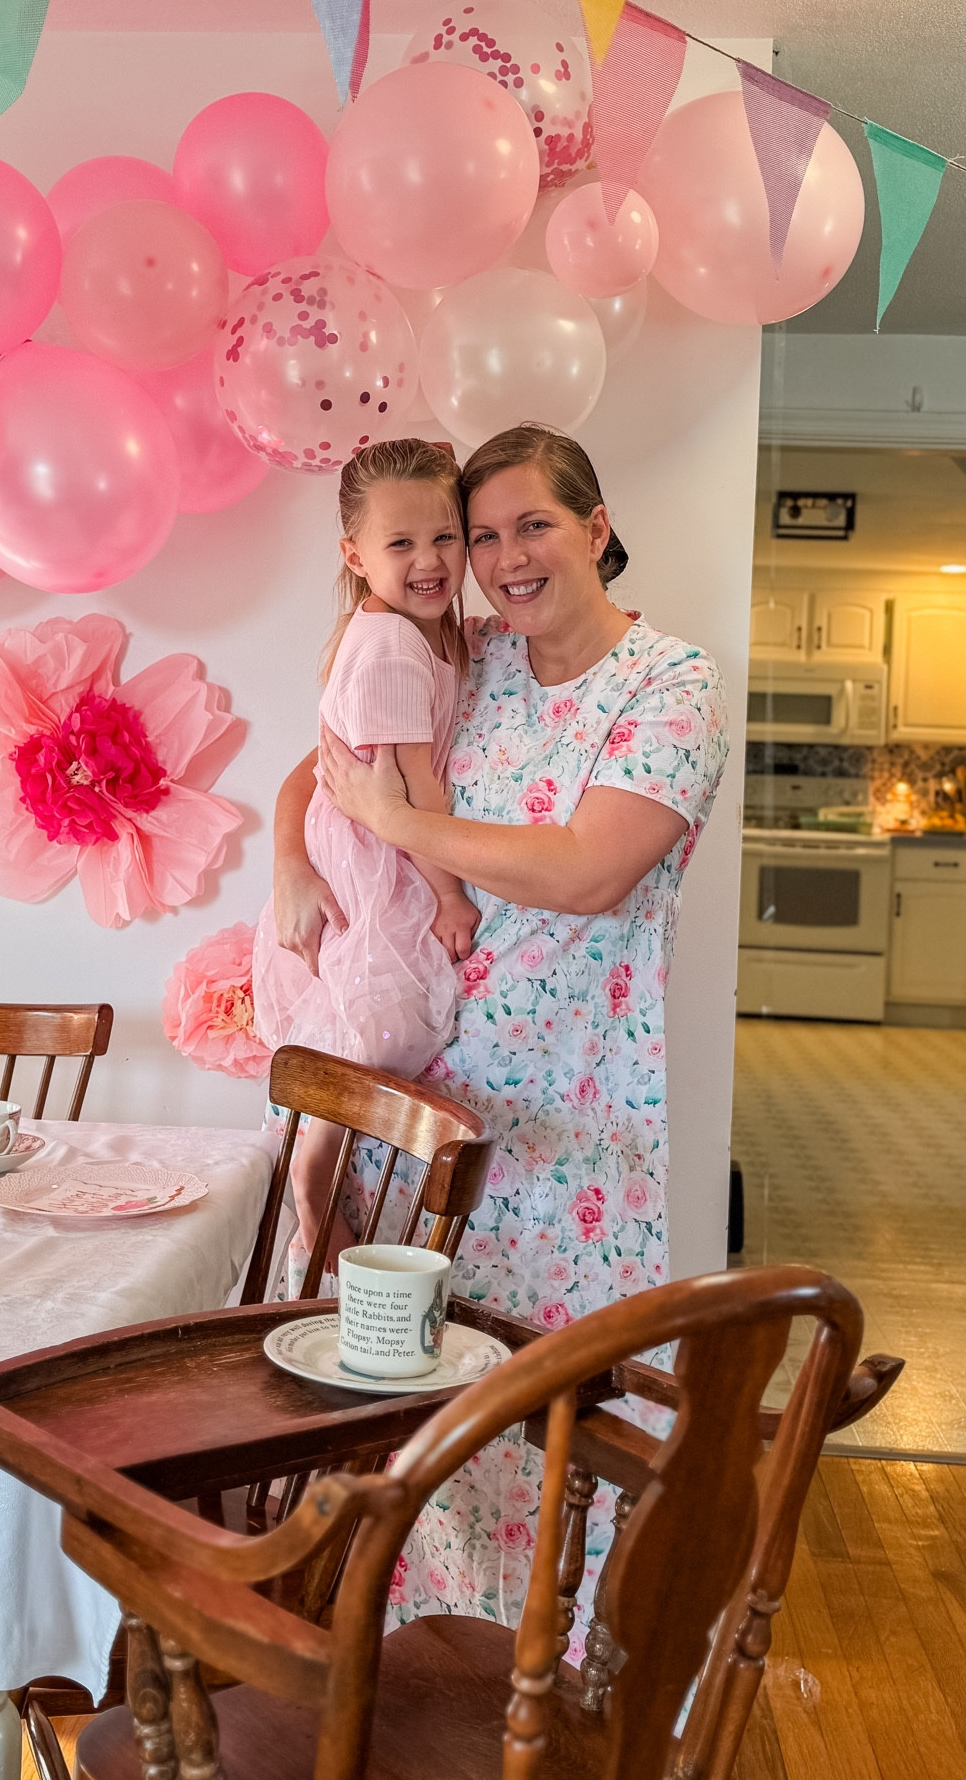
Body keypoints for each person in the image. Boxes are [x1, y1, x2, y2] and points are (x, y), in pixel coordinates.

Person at [271, 423, 729, 1639]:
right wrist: (287, 864)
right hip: (417, 1107)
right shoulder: (471, 653)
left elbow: (587, 871)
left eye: (533, 523)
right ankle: (389, 1678)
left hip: (567, 1118)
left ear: (596, 526)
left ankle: (538, 1694)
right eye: (482, 534)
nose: (503, 556)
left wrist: (402, 825)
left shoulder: (670, 684)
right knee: (396, 1417)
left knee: (546, 1408)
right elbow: (321, 765)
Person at [252, 437, 478, 1266]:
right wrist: (451, 896)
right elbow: (415, 795)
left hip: (366, 842)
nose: (430, 560)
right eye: (402, 543)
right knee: (380, 1027)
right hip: (374, 853)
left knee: (368, 1025)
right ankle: (311, 1176)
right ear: (354, 554)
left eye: (445, 536)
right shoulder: (388, 648)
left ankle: (314, 1163)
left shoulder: (407, 631)